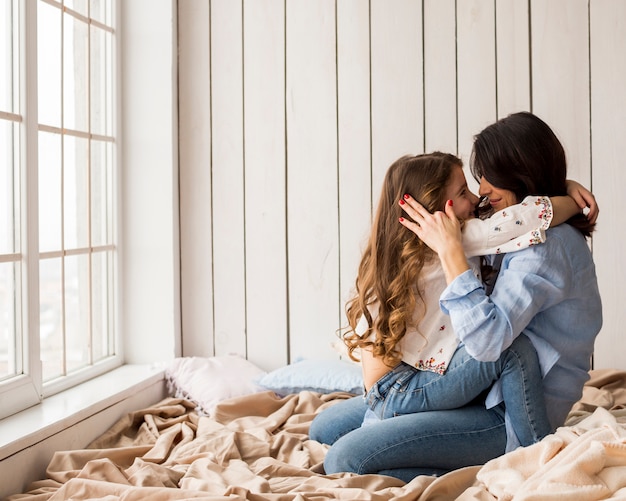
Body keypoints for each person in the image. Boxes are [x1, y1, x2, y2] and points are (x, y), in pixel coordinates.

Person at [309, 112, 602, 482]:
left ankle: (503, 459)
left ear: (521, 176)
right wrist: (565, 191)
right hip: (470, 385)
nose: (481, 191)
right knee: (326, 426)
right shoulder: (502, 223)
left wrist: (451, 256)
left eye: (489, 177)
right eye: (476, 179)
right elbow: (518, 219)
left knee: (344, 459)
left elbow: (489, 344)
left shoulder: (544, 249)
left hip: (507, 410)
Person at [342, 152, 580, 449]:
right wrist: (572, 197)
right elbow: (524, 220)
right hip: (404, 388)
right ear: (435, 210)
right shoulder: (454, 236)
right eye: (462, 193)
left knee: (325, 430)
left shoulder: (397, 243)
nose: (474, 200)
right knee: (512, 350)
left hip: (383, 389)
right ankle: (537, 447)